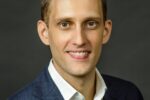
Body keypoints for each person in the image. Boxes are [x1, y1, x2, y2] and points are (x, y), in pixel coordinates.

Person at [8, 0, 143, 100]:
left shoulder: (129, 95)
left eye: (91, 24)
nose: (79, 40)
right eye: (65, 24)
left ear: (105, 31)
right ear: (44, 33)